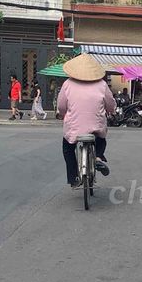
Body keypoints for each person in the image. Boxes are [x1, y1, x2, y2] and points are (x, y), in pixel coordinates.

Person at [56, 53, 116, 189]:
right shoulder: (102, 84)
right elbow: (111, 104)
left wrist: (63, 114)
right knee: (101, 139)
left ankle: (73, 178)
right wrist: (111, 111)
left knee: (68, 147)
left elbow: (61, 106)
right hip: (96, 126)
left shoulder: (67, 84)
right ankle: (98, 158)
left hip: (74, 128)